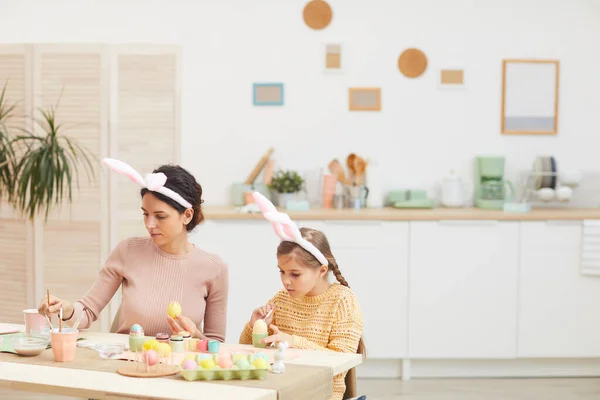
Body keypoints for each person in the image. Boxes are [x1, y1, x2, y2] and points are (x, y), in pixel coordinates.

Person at [38, 158, 229, 341]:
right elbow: (87, 312)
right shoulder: (128, 250)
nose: (149, 224)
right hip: (126, 363)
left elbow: (216, 344)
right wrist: (67, 309)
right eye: (145, 214)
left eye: (160, 216)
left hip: (178, 370)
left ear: (187, 215)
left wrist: (195, 337)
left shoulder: (214, 269)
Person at [239, 192, 365, 400]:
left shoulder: (342, 301)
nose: (286, 281)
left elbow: (341, 360)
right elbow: (250, 352)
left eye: (295, 274)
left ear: (321, 271)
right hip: (281, 391)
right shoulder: (281, 300)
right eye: (282, 271)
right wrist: (255, 327)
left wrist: (291, 341)